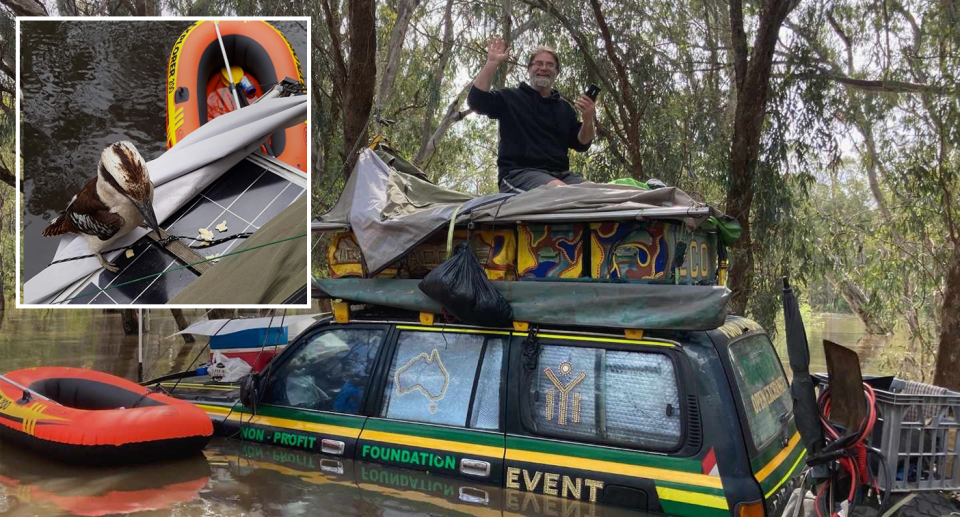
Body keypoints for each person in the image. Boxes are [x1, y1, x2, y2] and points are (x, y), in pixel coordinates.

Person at [467, 36, 596, 193]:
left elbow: (582, 143)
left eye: (550, 65)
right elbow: (476, 101)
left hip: (561, 176)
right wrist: (492, 63)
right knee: (561, 192)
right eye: (539, 63)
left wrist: (588, 118)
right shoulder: (510, 97)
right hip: (518, 174)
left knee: (598, 193)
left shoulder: (565, 108)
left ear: (556, 72)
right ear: (529, 69)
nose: (544, 68)